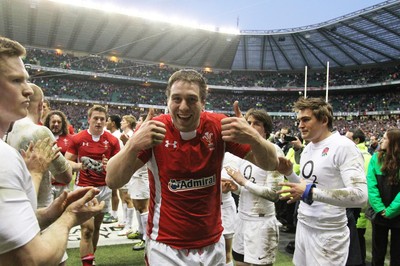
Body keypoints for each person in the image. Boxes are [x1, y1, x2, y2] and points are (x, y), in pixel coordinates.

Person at [106, 69, 279, 265]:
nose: (183, 107)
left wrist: (254, 138)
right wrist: (132, 144)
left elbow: (271, 163)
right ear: (168, 100)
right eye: (176, 99)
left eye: (191, 99)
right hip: (165, 246)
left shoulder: (218, 125)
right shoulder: (155, 130)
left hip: (211, 243)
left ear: (203, 103)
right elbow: (113, 180)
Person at [0, 35, 104, 265]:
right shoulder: (8, 154)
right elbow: (32, 258)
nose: (28, 90)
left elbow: (8, 227)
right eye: (16, 80)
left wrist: (50, 213)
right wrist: (69, 218)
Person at [277, 97, 368, 266]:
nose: (300, 125)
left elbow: (360, 196)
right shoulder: (308, 149)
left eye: (306, 120)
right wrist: (289, 173)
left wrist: (310, 191)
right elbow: (307, 187)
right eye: (298, 120)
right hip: (304, 225)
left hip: (328, 232)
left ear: (324, 120)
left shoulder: (343, 146)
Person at [224, 108, 285, 266]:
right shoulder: (244, 152)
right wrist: (234, 187)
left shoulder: (274, 152)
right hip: (242, 219)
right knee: (239, 263)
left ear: (266, 129)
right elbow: (243, 188)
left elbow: (274, 194)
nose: (250, 126)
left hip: (262, 223)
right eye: (248, 122)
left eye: (256, 123)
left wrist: (243, 182)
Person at [65, 104, 120, 266]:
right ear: (89, 119)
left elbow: (118, 165)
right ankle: (87, 264)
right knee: (86, 229)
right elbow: (67, 161)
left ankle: (91, 259)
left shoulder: (112, 140)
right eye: (95, 118)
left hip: (103, 188)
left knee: (96, 227)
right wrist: (80, 166)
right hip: (83, 187)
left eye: (102, 119)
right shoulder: (78, 138)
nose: (98, 122)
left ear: (106, 121)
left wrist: (109, 164)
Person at [7, 83, 73, 207]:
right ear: (40, 105)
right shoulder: (40, 132)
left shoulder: (11, 129)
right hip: (38, 205)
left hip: (17, 200)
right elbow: (65, 177)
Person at [367, 128, 400, 266]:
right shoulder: (375, 158)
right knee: (377, 253)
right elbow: (371, 185)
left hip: (397, 214)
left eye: (385, 138)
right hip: (379, 214)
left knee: (397, 254)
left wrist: (391, 210)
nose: (382, 140)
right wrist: (380, 209)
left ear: (394, 143)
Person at [345, 128, 372, 266]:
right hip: (361, 207)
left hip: (355, 206)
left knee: (355, 241)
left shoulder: (356, 156)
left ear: (356, 140)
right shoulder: (368, 156)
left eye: (347, 138)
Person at [43, 110, 74, 199]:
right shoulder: (42, 136)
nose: (56, 124)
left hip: (63, 185)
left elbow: (73, 160)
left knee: (62, 210)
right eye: (53, 121)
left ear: (63, 124)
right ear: (48, 122)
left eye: (59, 122)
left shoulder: (71, 139)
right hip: (46, 184)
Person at [103, 114, 124, 224]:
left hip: (115, 166)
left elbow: (119, 153)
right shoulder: (112, 135)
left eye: (108, 121)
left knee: (114, 192)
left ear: (113, 123)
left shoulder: (116, 136)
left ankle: (114, 214)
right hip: (111, 165)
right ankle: (112, 212)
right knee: (112, 192)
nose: (106, 123)